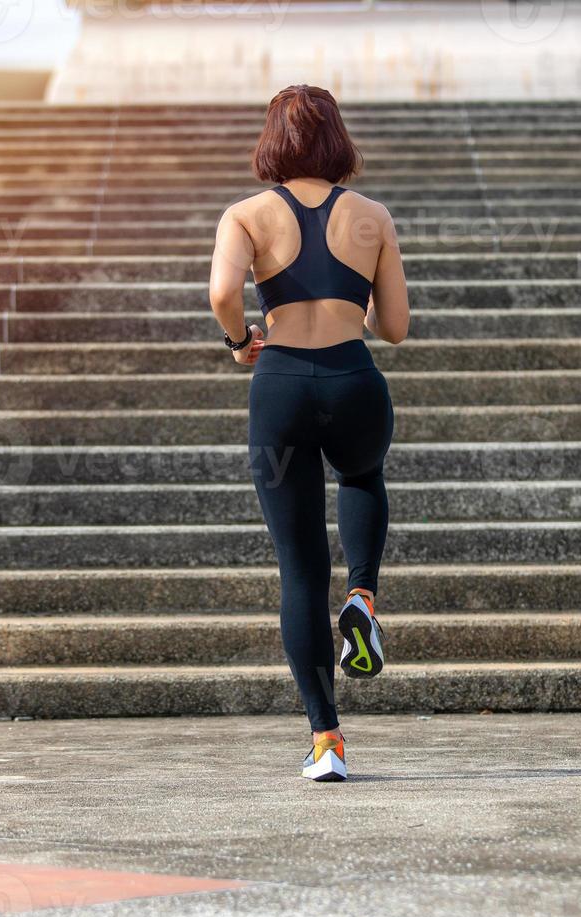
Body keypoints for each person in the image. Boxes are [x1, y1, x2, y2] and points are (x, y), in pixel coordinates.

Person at [209, 84, 411, 782]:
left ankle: (327, 741)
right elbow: (397, 328)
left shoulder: (246, 214)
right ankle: (363, 594)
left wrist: (241, 341)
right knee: (361, 475)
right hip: (355, 382)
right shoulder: (373, 215)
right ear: (337, 139)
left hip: (282, 388)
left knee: (298, 568)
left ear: (272, 140)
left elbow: (221, 294)